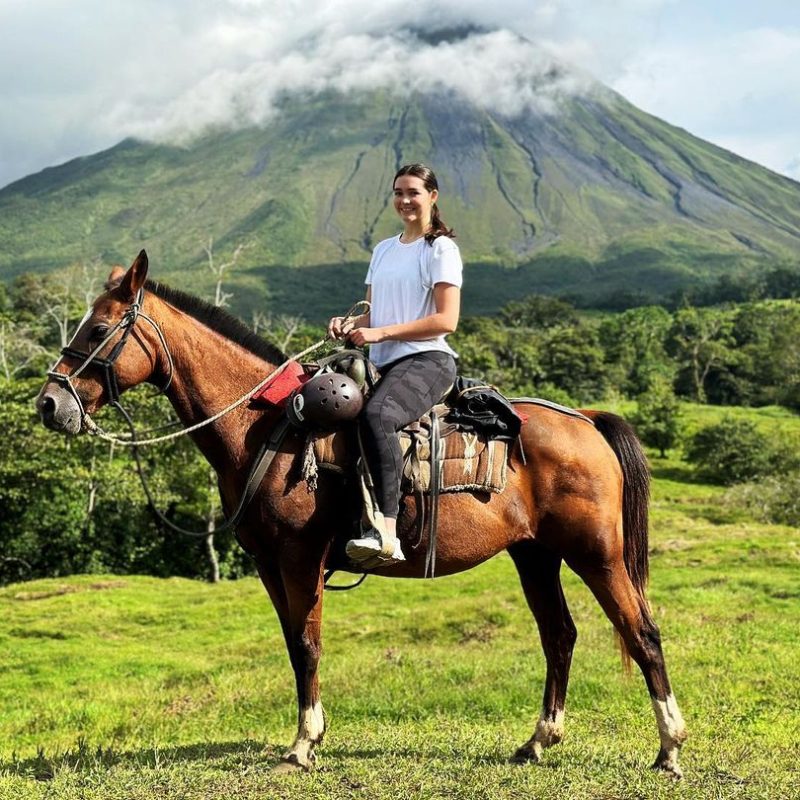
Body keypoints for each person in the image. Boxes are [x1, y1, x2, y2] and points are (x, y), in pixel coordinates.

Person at [328, 163, 462, 567]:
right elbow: (373, 314)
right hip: (381, 362)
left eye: (414, 192)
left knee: (377, 416)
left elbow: (446, 320)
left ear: (432, 196)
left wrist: (381, 335)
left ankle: (385, 531)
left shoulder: (440, 249)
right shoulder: (384, 249)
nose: (405, 200)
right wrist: (349, 324)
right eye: (398, 192)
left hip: (428, 360)